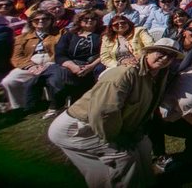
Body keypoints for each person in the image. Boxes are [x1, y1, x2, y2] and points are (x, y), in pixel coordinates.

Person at [47, 38, 182, 188]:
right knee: (123, 156)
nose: (165, 58)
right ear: (148, 51)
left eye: (171, 56)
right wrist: (117, 137)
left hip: (103, 123)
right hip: (79, 126)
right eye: (161, 52)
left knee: (143, 145)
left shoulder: (159, 74)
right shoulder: (124, 73)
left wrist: (134, 131)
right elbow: (104, 111)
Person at [0, 9, 60, 118]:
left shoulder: (60, 33)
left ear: (51, 20)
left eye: (45, 19)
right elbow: (16, 56)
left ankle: (52, 102)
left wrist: (50, 64)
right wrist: (30, 66)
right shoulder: (22, 37)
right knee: (9, 81)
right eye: (37, 19)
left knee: (52, 75)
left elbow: (62, 50)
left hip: (52, 61)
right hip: (31, 63)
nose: (41, 21)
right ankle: (21, 106)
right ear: (31, 22)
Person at [44, 10, 104, 118]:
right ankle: (56, 104)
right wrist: (73, 66)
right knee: (58, 74)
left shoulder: (103, 33)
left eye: (93, 19)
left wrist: (90, 66)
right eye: (86, 19)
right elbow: (60, 54)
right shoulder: (69, 35)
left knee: (100, 70)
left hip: (94, 63)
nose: (89, 20)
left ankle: (96, 103)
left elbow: (106, 51)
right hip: (72, 64)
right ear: (79, 21)